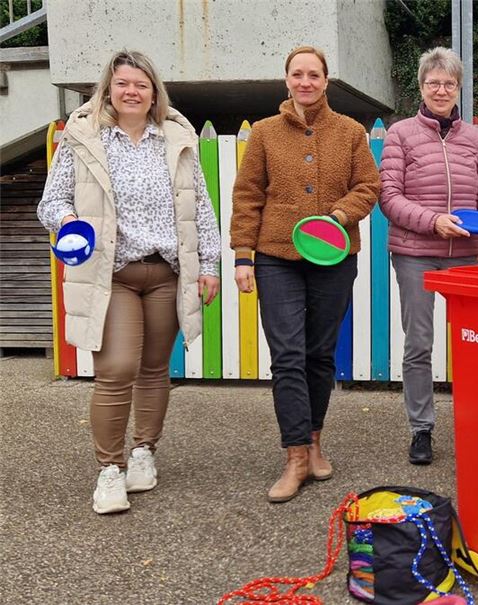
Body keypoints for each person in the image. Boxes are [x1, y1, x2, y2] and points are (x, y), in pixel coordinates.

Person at [37, 50, 221, 515]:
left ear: (154, 92)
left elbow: (200, 206)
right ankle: (110, 470)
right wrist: (69, 218)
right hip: (109, 273)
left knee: (155, 369)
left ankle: (144, 453)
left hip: (166, 273)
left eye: (141, 84)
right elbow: (50, 202)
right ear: (108, 89)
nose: (131, 91)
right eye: (122, 83)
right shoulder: (83, 137)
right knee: (118, 369)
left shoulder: (176, 139)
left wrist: (211, 264)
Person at [231, 46, 380, 503]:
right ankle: (295, 455)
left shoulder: (351, 132)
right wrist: (242, 254)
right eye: (297, 74)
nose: (305, 82)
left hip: (333, 256)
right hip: (276, 256)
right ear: (287, 80)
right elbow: (247, 194)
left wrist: (340, 214)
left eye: (313, 74)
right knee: (288, 354)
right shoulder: (264, 133)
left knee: (319, 352)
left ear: (326, 80)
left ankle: (315, 439)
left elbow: (369, 187)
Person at [379, 47, 478, 465]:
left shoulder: (473, 136)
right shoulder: (401, 134)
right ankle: (421, 430)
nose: (441, 90)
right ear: (421, 87)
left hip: (465, 255)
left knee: (476, 343)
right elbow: (388, 197)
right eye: (433, 83)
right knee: (419, 344)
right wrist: (433, 221)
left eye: (448, 83)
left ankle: (477, 423)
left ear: (458, 87)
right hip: (415, 255)